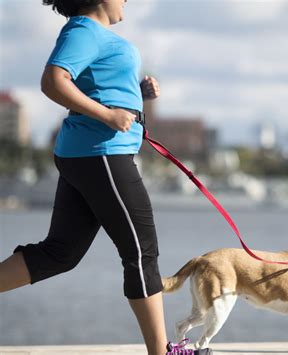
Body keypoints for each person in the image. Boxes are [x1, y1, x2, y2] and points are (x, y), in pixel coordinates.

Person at [0, 1, 211, 354]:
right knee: (142, 252)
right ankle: (162, 352)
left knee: (61, 253)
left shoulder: (94, 35)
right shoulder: (83, 29)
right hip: (101, 154)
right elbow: (53, 81)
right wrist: (109, 116)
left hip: (88, 153)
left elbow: (94, 87)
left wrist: (135, 95)